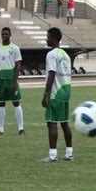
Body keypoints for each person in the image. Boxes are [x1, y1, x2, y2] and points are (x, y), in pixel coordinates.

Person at [40, 27, 73, 162]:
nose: (46, 39)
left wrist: (46, 94)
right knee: (64, 122)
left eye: (48, 37)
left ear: (53, 38)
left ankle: (52, 156)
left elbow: (52, 73)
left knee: (52, 122)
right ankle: (69, 153)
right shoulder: (65, 54)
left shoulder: (51, 54)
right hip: (66, 90)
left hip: (56, 91)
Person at [0, 27, 24, 136]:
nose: (4, 36)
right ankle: (0, 129)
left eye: (6, 34)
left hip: (11, 79)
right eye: (2, 34)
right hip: (0, 80)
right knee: (1, 103)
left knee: (16, 102)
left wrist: (14, 82)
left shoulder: (15, 48)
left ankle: (21, 128)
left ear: (10, 35)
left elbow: (18, 66)